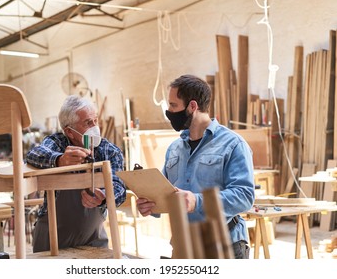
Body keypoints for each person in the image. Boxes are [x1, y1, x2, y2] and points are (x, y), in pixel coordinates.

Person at [136, 74, 255, 259]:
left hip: (224, 246)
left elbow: (245, 196)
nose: (169, 112)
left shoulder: (233, 144)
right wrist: (150, 206)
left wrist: (197, 201)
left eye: (173, 105)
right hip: (183, 245)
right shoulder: (175, 148)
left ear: (192, 106)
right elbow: (166, 193)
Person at [26, 95, 126, 253]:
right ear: (69, 132)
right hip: (51, 240)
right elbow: (33, 154)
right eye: (88, 123)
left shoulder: (109, 151)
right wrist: (59, 160)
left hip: (92, 239)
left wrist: (105, 196)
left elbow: (119, 186)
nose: (94, 127)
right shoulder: (58, 143)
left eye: (95, 120)